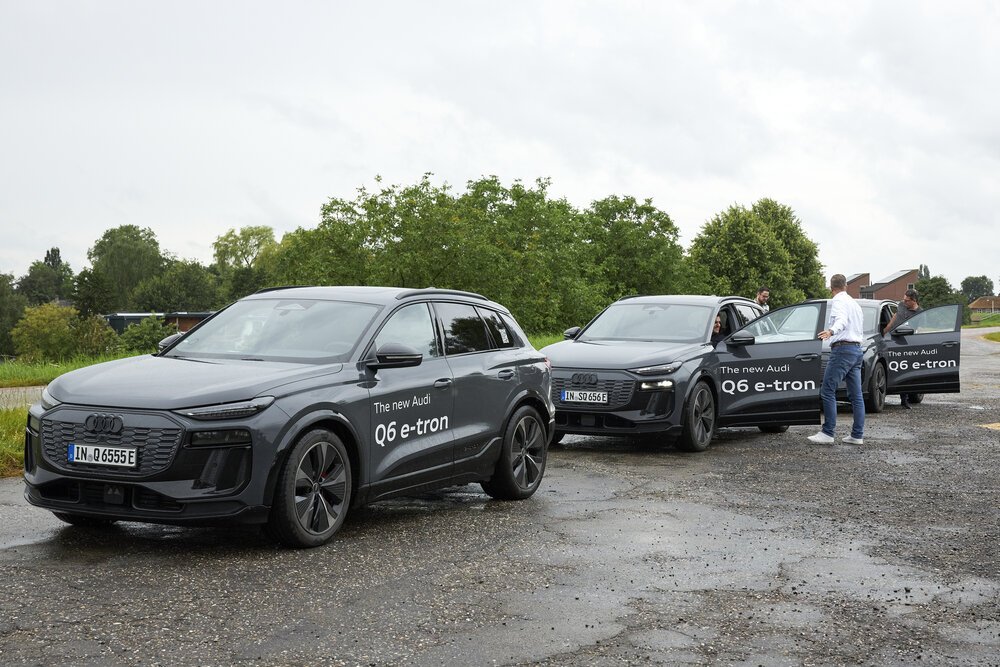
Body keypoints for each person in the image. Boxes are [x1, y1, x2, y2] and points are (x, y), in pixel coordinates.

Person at [808, 274, 865, 445]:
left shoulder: (839, 301)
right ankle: (857, 435)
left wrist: (831, 331)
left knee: (827, 390)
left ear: (831, 288)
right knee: (856, 395)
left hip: (843, 349)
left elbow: (842, 320)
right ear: (846, 286)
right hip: (856, 350)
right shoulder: (855, 304)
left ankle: (828, 432)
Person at [882, 288, 922, 408]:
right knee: (895, 368)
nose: (903, 302)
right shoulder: (901, 306)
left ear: (914, 300)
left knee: (906, 370)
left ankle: (905, 399)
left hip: (908, 343)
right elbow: (894, 318)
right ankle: (900, 396)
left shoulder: (920, 313)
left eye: (906, 300)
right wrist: (884, 332)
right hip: (893, 341)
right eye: (903, 299)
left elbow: (920, 329)